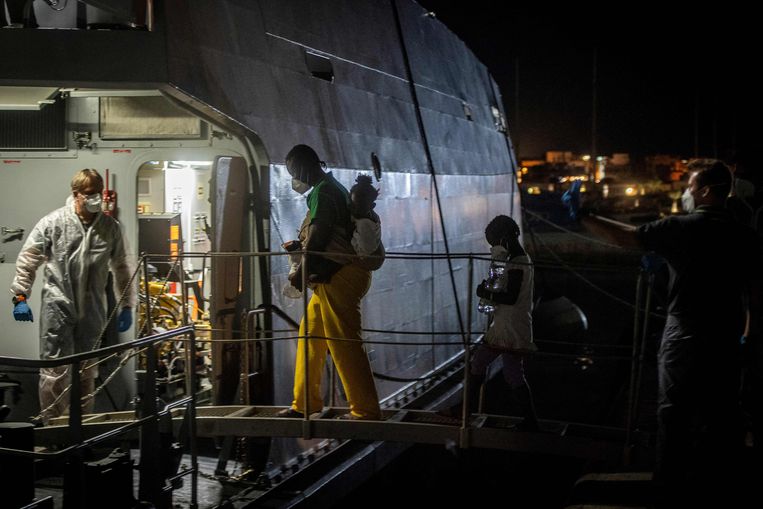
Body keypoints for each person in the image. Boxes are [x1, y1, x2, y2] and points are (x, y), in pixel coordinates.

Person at [587, 159, 761, 505]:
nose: (688, 191)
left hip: (684, 335)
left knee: (673, 413)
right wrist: (747, 335)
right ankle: (723, 485)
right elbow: (753, 293)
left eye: (692, 185)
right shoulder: (745, 235)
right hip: (727, 334)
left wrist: (583, 215)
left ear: (707, 191)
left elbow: (626, 236)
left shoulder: (680, 227)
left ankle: (669, 488)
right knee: (723, 413)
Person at [11, 169, 135, 423]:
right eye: (89, 194)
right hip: (58, 307)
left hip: (93, 311)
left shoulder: (109, 227)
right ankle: (53, 427)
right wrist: (20, 297)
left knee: (87, 370)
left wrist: (126, 304)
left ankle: (79, 428)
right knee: (55, 371)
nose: (95, 199)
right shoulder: (53, 223)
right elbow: (27, 260)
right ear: (76, 195)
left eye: (98, 194)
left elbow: (123, 267)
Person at [278, 145, 381, 420]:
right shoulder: (328, 187)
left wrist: (300, 272)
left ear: (302, 167)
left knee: (344, 341)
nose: (293, 179)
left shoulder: (324, 191)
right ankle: (304, 404)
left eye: (292, 172)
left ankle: (365, 411)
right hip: (333, 277)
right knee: (310, 334)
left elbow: (319, 235)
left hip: (342, 277)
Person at [449, 215, 539, 430]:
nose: (495, 248)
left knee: (480, 363)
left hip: (508, 327)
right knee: (512, 373)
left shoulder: (518, 263)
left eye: (495, 243)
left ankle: (464, 411)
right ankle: (530, 420)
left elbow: (510, 297)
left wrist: (484, 291)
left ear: (505, 238)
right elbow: (504, 291)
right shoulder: (518, 260)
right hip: (513, 325)